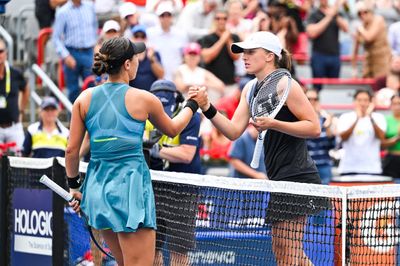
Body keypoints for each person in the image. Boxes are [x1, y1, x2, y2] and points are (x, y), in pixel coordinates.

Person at [190, 31, 324, 266]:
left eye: (251, 52)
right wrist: (207, 106)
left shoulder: (287, 84)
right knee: (281, 249)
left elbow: (314, 128)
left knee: (290, 252)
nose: (244, 57)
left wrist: (274, 124)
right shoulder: (250, 88)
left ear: (270, 56)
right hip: (278, 178)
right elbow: (232, 131)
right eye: (244, 52)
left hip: (299, 175)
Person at [65, 37, 200, 266]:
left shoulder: (84, 98)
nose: (138, 61)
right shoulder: (145, 99)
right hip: (130, 192)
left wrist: (75, 186)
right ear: (127, 64)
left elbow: (71, 150)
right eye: (136, 58)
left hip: (98, 191)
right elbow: (174, 127)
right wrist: (193, 104)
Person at [144, 80, 201, 265]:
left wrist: (156, 150)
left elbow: (186, 154)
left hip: (182, 192)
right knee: (151, 249)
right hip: (153, 189)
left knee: (179, 252)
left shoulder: (191, 117)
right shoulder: (143, 115)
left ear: (176, 100)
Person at [52, 0, 98, 103]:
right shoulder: (63, 11)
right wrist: (66, 56)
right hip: (72, 52)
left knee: (92, 87)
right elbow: (56, 38)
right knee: (73, 90)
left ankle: (90, 117)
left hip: (88, 52)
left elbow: (94, 28)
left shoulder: (90, 7)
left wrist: (95, 48)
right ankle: (73, 117)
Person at [337, 89, 386, 175]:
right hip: (348, 168)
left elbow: (381, 137)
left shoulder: (378, 117)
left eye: (365, 100)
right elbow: (343, 137)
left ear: (370, 103)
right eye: (359, 100)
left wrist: (370, 117)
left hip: (372, 169)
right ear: (354, 102)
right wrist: (357, 119)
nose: (362, 103)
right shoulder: (345, 117)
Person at [306, 0, 348, 90]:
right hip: (319, 55)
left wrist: (335, 15)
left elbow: (346, 28)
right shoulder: (314, 14)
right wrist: (329, 17)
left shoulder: (336, 14)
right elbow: (312, 33)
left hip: (335, 55)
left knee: (334, 86)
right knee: (317, 86)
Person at [0, 39, 29, 151]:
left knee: (20, 160)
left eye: (1, 51)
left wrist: (21, 109)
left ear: (6, 53)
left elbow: (26, 88)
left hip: (13, 126)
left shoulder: (15, 73)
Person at [351, 1, 391, 78]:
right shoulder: (361, 27)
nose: (362, 15)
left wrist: (360, 28)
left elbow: (369, 37)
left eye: (365, 12)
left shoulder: (378, 20)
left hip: (382, 61)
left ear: (370, 12)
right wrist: (353, 70)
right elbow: (354, 51)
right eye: (359, 13)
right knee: (367, 85)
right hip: (368, 61)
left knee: (380, 84)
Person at [305, 89, 336, 184]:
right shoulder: (299, 120)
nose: (312, 102)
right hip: (306, 166)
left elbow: (332, 145)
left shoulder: (326, 120)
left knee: (326, 196)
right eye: (309, 99)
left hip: (324, 164)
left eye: (315, 99)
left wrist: (328, 127)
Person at [129, 25, 164, 91]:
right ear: (132, 38)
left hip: (152, 93)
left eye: (142, 36)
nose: (139, 39)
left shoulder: (154, 53)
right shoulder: (128, 55)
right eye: (136, 36)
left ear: (146, 38)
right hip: (133, 94)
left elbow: (161, 75)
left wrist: (152, 59)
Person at [381, 93, 400, 180]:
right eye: (394, 104)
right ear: (391, 105)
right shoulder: (386, 120)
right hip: (392, 160)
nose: (397, 107)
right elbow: (381, 144)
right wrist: (396, 138)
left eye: (399, 103)